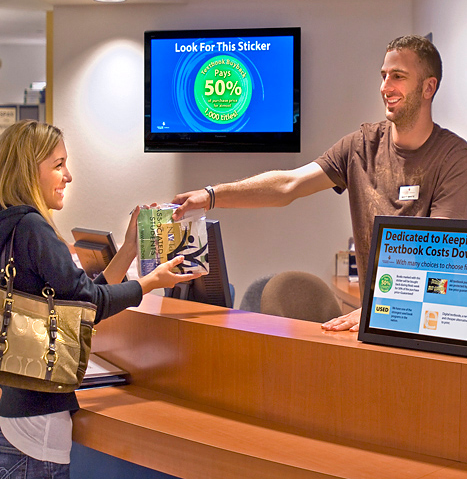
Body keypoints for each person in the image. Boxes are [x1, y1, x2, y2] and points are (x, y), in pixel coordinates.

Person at [171, 35, 467, 333]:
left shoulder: (454, 159)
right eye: (383, 76)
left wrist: (379, 309)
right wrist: (211, 196)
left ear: (429, 87)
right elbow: (288, 185)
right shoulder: (362, 146)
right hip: (372, 323)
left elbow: (437, 260)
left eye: (398, 77)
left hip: (427, 327)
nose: (385, 87)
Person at [0, 120, 200, 479]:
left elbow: (78, 301)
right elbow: (90, 304)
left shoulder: (11, 225)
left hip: (18, 411)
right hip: (37, 424)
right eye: (58, 165)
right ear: (31, 171)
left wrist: (126, 252)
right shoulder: (33, 228)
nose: (69, 176)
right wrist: (150, 281)